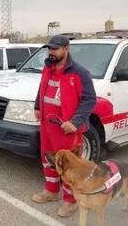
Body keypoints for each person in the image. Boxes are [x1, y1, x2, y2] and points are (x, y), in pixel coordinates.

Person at [31, 35, 96, 218]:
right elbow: (41, 88)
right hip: (47, 126)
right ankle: (51, 191)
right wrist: (37, 106)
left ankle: (71, 200)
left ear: (66, 49)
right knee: (48, 159)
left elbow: (90, 100)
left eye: (55, 49)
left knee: (69, 166)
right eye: (49, 49)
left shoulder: (80, 73)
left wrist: (75, 122)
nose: (51, 52)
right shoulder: (47, 68)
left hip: (66, 129)